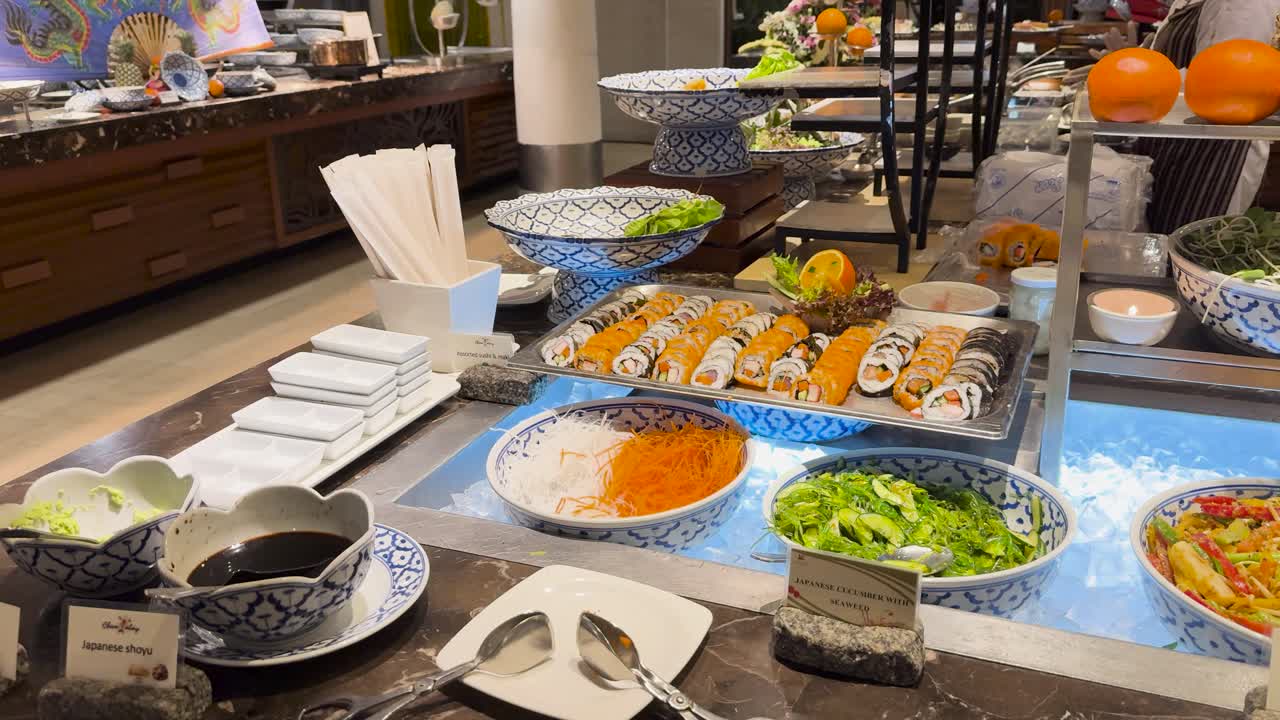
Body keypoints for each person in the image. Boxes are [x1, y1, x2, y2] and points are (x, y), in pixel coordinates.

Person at [1067, 0, 1280, 232]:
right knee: (1157, 245)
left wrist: (1133, 78)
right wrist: (1130, 63)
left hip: (1213, 154)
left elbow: (1230, 82)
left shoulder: (1244, 4)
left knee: (1185, 250)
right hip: (1173, 140)